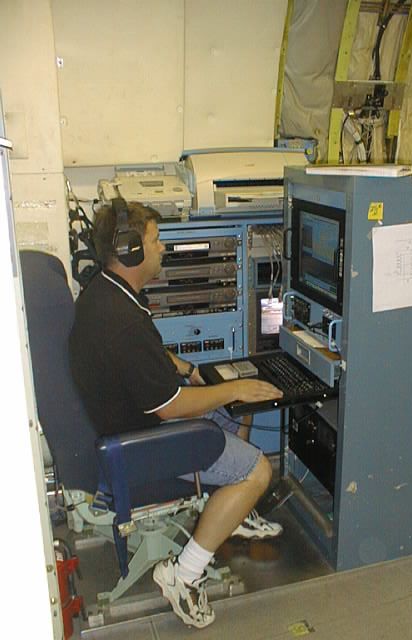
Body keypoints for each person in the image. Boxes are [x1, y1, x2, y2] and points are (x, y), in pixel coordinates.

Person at [69, 201, 284, 628]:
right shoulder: (123, 322)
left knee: (235, 408)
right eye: (155, 240)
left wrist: (189, 370)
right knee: (258, 470)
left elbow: (147, 359)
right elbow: (169, 406)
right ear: (130, 250)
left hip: (131, 422)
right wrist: (232, 388)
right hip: (145, 443)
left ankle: (233, 511)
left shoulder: (106, 292)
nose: (162, 248)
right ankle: (183, 575)